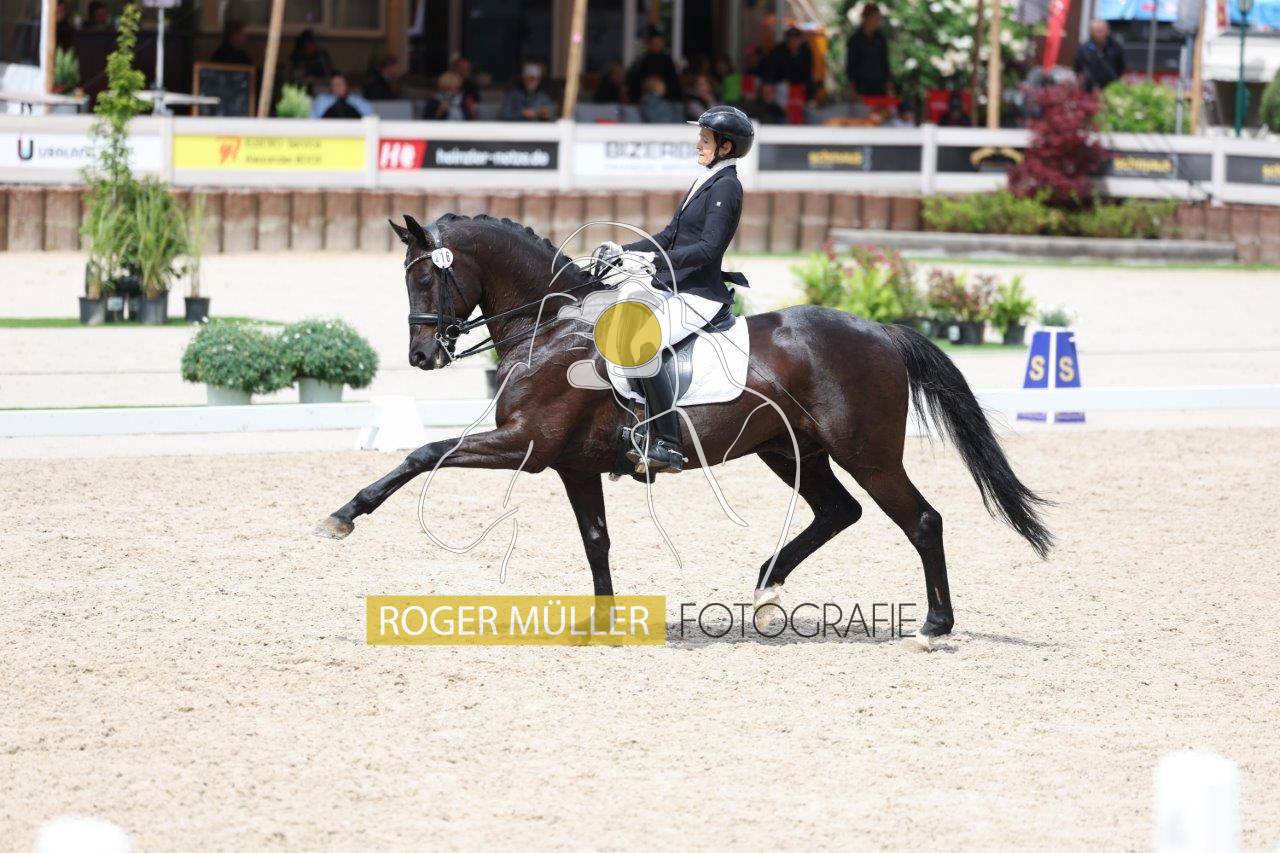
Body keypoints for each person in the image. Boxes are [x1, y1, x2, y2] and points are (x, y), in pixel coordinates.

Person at [590, 106, 754, 474]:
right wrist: (623, 251)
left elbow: (708, 249)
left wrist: (655, 262)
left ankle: (667, 444)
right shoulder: (706, 180)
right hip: (676, 287)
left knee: (640, 346)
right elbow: (669, 236)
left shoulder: (726, 187)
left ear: (726, 147)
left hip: (699, 294)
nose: (698, 144)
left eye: (705, 140)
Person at [626, 26, 682, 103]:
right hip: (646, 98)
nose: (657, 45)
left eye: (659, 43)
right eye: (654, 43)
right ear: (649, 44)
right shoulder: (643, 60)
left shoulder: (667, 60)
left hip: (666, 99)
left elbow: (674, 82)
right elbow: (636, 81)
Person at [845, 3, 891, 97]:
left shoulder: (880, 39)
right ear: (867, 18)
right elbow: (851, 65)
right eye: (875, 18)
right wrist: (852, 87)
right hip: (861, 85)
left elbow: (884, 63)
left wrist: (888, 84)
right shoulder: (855, 40)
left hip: (879, 85)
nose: (877, 21)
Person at [1074, 19, 1125, 93]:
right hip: (1089, 89)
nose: (1099, 34)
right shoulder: (1083, 49)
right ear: (1092, 32)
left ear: (1107, 31)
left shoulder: (1116, 47)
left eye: (1101, 31)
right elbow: (1078, 68)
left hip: (1110, 87)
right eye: (1097, 31)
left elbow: (1120, 67)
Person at [764, 26, 814, 99]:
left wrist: (806, 85)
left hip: (799, 86)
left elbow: (808, 70)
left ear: (800, 39)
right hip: (781, 85)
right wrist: (769, 83)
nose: (793, 41)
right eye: (791, 39)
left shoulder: (806, 52)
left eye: (796, 39)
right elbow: (771, 68)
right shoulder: (778, 51)